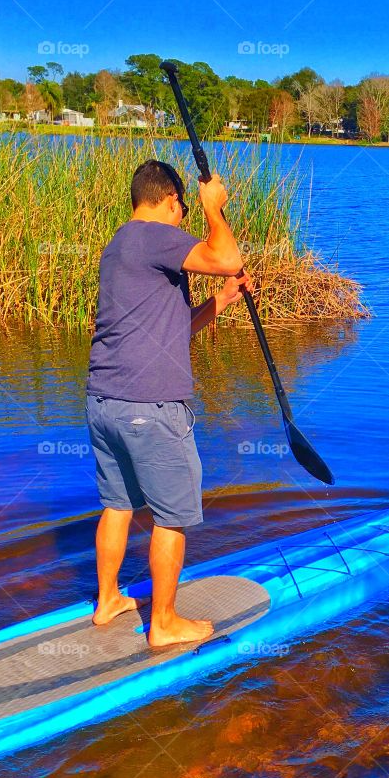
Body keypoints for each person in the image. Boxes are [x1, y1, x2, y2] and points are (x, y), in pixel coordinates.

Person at [85, 160, 251, 647]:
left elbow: (172, 331)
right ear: (172, 200)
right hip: (151, 408)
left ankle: (108, 600)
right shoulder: (156, 234)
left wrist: (222, 301)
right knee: (172, 516)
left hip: (104, 404)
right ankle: (162, 624)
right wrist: (214, 207)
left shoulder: (119, 245)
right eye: (185, 209)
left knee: (117, 505)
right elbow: (227, 257)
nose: (184, 219)